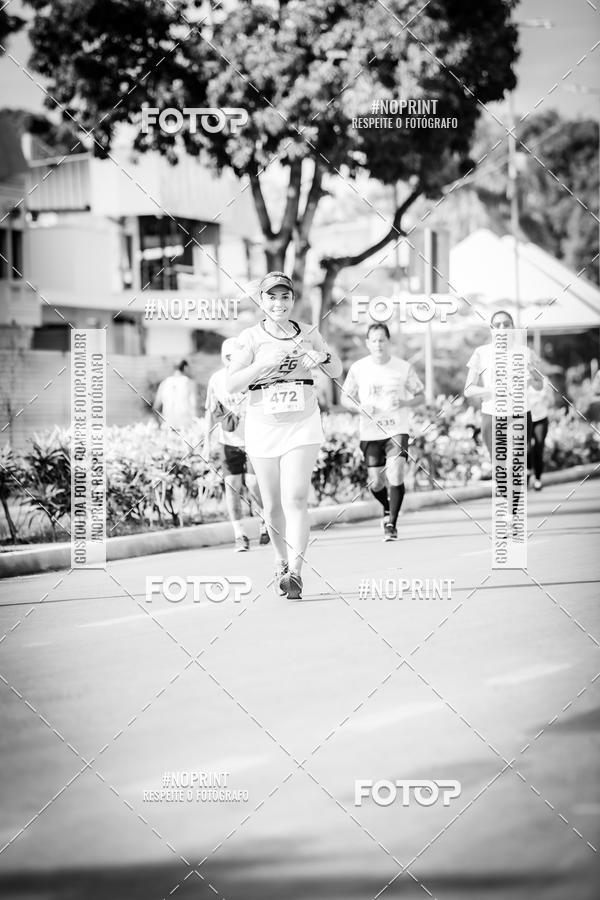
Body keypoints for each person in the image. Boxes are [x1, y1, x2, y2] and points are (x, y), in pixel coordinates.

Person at [226, 271, 342, 599]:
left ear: (293, 300)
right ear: (262, 302)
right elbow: (231, 384)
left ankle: (296, 571)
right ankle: (280, 559)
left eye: (285, 297)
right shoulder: (249, 338)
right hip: (263, 425)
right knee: (273, 503)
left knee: (296, 498)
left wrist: (321, 357)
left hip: (303, 424)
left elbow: (337, 371)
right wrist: (262, 366)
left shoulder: (308, 333)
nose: (279, 303)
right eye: (272, 297)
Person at [341, 322, 425, 541]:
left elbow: (421, 396)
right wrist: (359, 407)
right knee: (376, 482)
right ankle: (387, 507)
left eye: (383, 340)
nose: (379, 344)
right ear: (368, 344)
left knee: (396, 472)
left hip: (396, 428)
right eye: (374, 340)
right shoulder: (359, 368)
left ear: (389, 342)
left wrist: (405, 401)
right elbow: (345, 397)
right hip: (370, 432)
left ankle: (391, 524)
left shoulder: (403, 368)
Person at [204, 338, 270, 551]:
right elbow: (210, 411)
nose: (231, 361)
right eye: (228, 357)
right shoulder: (216, 379)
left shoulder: (253, 377)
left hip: (254, 441)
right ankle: (239, 534)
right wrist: (206, 442)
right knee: (232, 486)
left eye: (236, 357)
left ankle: (265, 520)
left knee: (252, 484)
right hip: (228, 442)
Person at [464, 310, 543, 462]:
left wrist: (530, 377)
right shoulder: (481, 353)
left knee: (514, 464)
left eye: (507, 324)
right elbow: (468, 390)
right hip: (492, 415)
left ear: (513, 327)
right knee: (500, 466)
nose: (502, 328)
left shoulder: (525, 352)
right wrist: (493, 391)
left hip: (519, 415)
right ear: (492, 330)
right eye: (497, 325)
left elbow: (539, 384)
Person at [153, 360, 197, 431]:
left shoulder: (164, 383)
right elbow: (194, 406)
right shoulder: (189, 383)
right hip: (185, 427)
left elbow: (155, 407)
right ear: (185, 368)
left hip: (168, 427)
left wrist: (159, 424)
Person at [528, 375, 553, 491]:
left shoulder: (545, 380)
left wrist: (546, 398)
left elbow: (551, 401)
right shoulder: (519, 378)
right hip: (525, 418)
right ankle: (527, 472)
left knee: (538, 447)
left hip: (541, 418)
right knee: (525, 448)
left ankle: (537, 479)